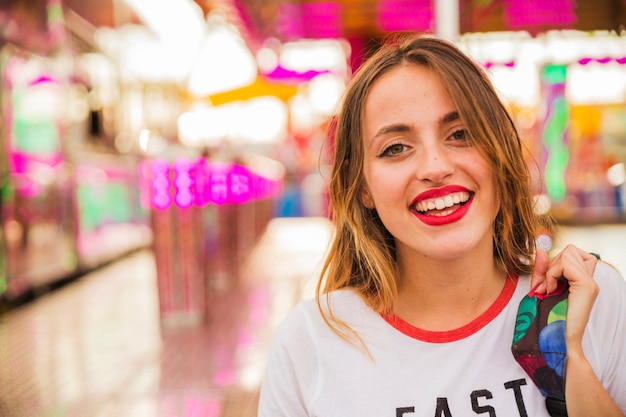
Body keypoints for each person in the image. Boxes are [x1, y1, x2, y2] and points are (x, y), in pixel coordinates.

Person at [257, 33, 626, 416]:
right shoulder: (311, 344)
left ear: (499, 151)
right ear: (361, 186)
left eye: (461, 134)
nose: (435, 167)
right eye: (395, 147)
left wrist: (573, 364)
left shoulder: (593, 301)